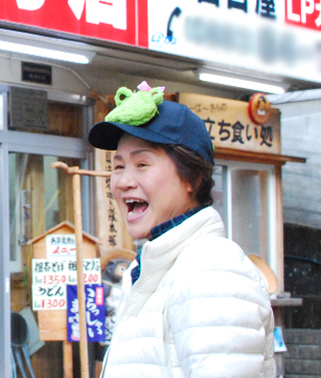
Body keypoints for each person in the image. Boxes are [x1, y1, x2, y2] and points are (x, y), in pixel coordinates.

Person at [88, 84, 275, 377]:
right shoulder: (154, 266)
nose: (123, 181)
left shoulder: (211, 268)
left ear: (192, 178)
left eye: (142, 164)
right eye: (119, 166)